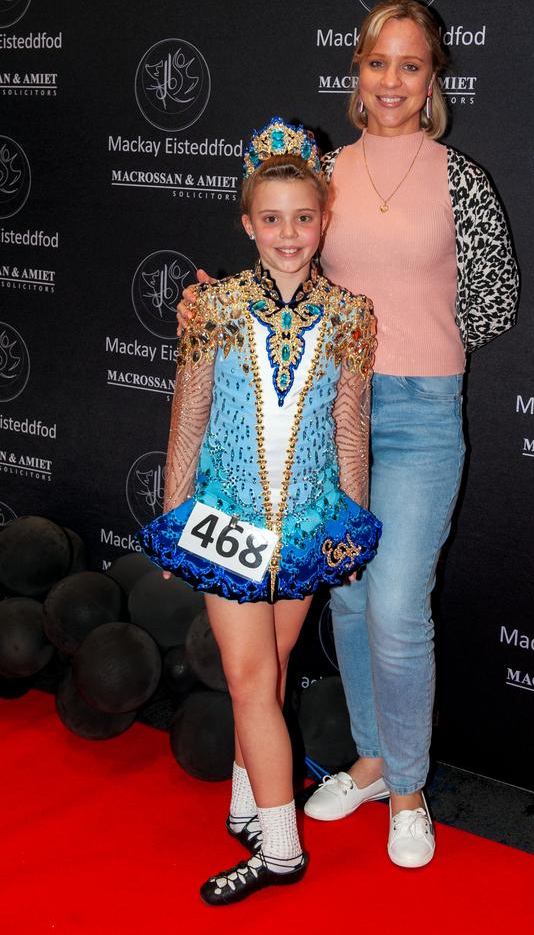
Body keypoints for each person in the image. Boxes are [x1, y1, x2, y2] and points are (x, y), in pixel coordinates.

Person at [177, 0, 519, 870]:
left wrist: (414, 338)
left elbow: (494, 300)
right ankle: (369, 763)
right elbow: (280, 261)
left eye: (411, 66)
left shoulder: (460, 178)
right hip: (332, 416)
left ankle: (409, 791)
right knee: (354, 597)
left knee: (399, 605)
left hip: (420, 410)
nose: (393, 82)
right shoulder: (324, 171)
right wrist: (207, 302)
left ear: (432, 79)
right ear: (357, 73)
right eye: (378, 64)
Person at [138, 117, 381, 905]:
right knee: (249, 681)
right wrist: (176, 515)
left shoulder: (350, 314)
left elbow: (351, 425)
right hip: (229, 522)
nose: (288, 234)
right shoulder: (212, 309)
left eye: (303, 217)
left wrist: (351, 520)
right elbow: (190, 411)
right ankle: (282, 849)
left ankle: (249, 805)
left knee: (269, 678)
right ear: (247, 222)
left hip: (307, 526)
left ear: (324, 218)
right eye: (270, 219)